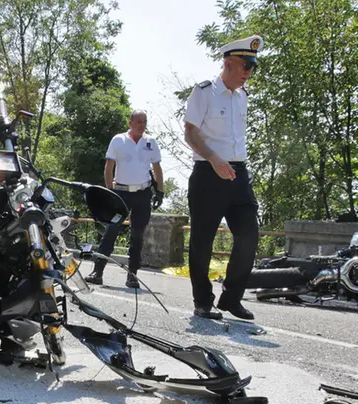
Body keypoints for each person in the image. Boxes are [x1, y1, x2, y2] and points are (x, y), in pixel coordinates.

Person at [183, 35, 263, 320]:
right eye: (245, 65)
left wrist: (228, 164)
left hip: (239, 174)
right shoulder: (204, 92)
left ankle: (230, 299)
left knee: (249, 234)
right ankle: (202, 301)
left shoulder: (243, 97)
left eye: (252, 67)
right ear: (229, 62)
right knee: (202, 240)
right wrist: (214, 159)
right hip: (208, 172)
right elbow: (190, 132)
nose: (248, 73)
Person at [85, 110, 164, 289]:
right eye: (138, 121)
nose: (141, 125)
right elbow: (109, 167)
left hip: (143, 193)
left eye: (144, 121)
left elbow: (157, 167)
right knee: (111, 231)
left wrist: (160, 190)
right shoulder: (118, 140)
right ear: (130, 123)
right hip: (121, 192)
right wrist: (109, 191)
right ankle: (98, 272)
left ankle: (132, 275)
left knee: (137, 235)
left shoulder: (151, 142)